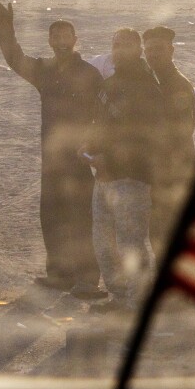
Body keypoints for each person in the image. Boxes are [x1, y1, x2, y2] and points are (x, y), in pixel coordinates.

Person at [0, 0, 106, 300]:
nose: (61, 40)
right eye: (56, 36)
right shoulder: (44, 71)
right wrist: (6, 27)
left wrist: (96, 147)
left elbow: (103, 115)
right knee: (52, 215)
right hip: (52, 159)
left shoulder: (90, 74)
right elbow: (15, 58)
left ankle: (89, 280)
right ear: (50, 41)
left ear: (75, 39)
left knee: (82, 217)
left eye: (66, 35)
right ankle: (60, 274)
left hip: (79, 158)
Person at [84, 28, 165, 311]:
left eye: (127, 46)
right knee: (104, 242)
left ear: (138, 50)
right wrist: (90, 149)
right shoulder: (109, 85)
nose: (120, 51)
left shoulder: (147, 88)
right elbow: (100, 125)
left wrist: (112, 158)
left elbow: (147, 138)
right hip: (104, 176)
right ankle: (119, 297)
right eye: (116, 45)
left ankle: (137, 302)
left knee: (131, 243)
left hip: (132, 178)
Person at [141, 26, 195, 258]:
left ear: (171, 50)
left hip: (177, 169)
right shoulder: (152, 81)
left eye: (159, 49)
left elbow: (183, 131)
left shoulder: (178, 85)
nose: (153, 54)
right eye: (149, 50)